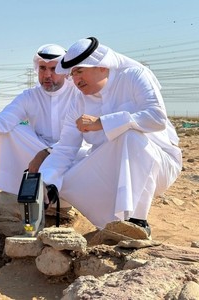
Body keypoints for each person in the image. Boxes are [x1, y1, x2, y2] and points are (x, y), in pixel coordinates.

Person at [39, 37, 182, 237]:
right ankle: (112, 226)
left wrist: (102, 122)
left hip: (157, 163)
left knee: (130, 136)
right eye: (72, 74)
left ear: (102, 67)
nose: (76, 80)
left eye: (80, 71)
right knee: (66, 179)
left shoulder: (133, 77)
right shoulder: (79, 102)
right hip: (112, 167)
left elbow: (157, 118)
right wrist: (48, 180)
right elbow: (65, 148)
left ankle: (137, 222)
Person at [0, 44, 82, 207]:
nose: (47, 75)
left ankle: (65, 197)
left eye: (53, 69)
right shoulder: (29, 96)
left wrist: (50, 152)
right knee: (11, 130)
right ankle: (23, 192)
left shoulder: (79, 93)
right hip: (37, 151)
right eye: (42, 68)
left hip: (72, 153)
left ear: (65, 71)